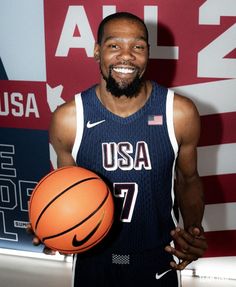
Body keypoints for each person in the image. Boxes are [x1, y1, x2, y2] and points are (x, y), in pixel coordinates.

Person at [29, 12, 207, 286]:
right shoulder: (68, 119)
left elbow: (188, 179)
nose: (126, 56)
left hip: (159, 256)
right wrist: (51, 225)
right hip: (93, 257)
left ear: (148, 53)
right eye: (114, 46)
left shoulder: (178, 112)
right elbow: (66, 191)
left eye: (138, 47)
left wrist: (193, 232)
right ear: (97, 51)